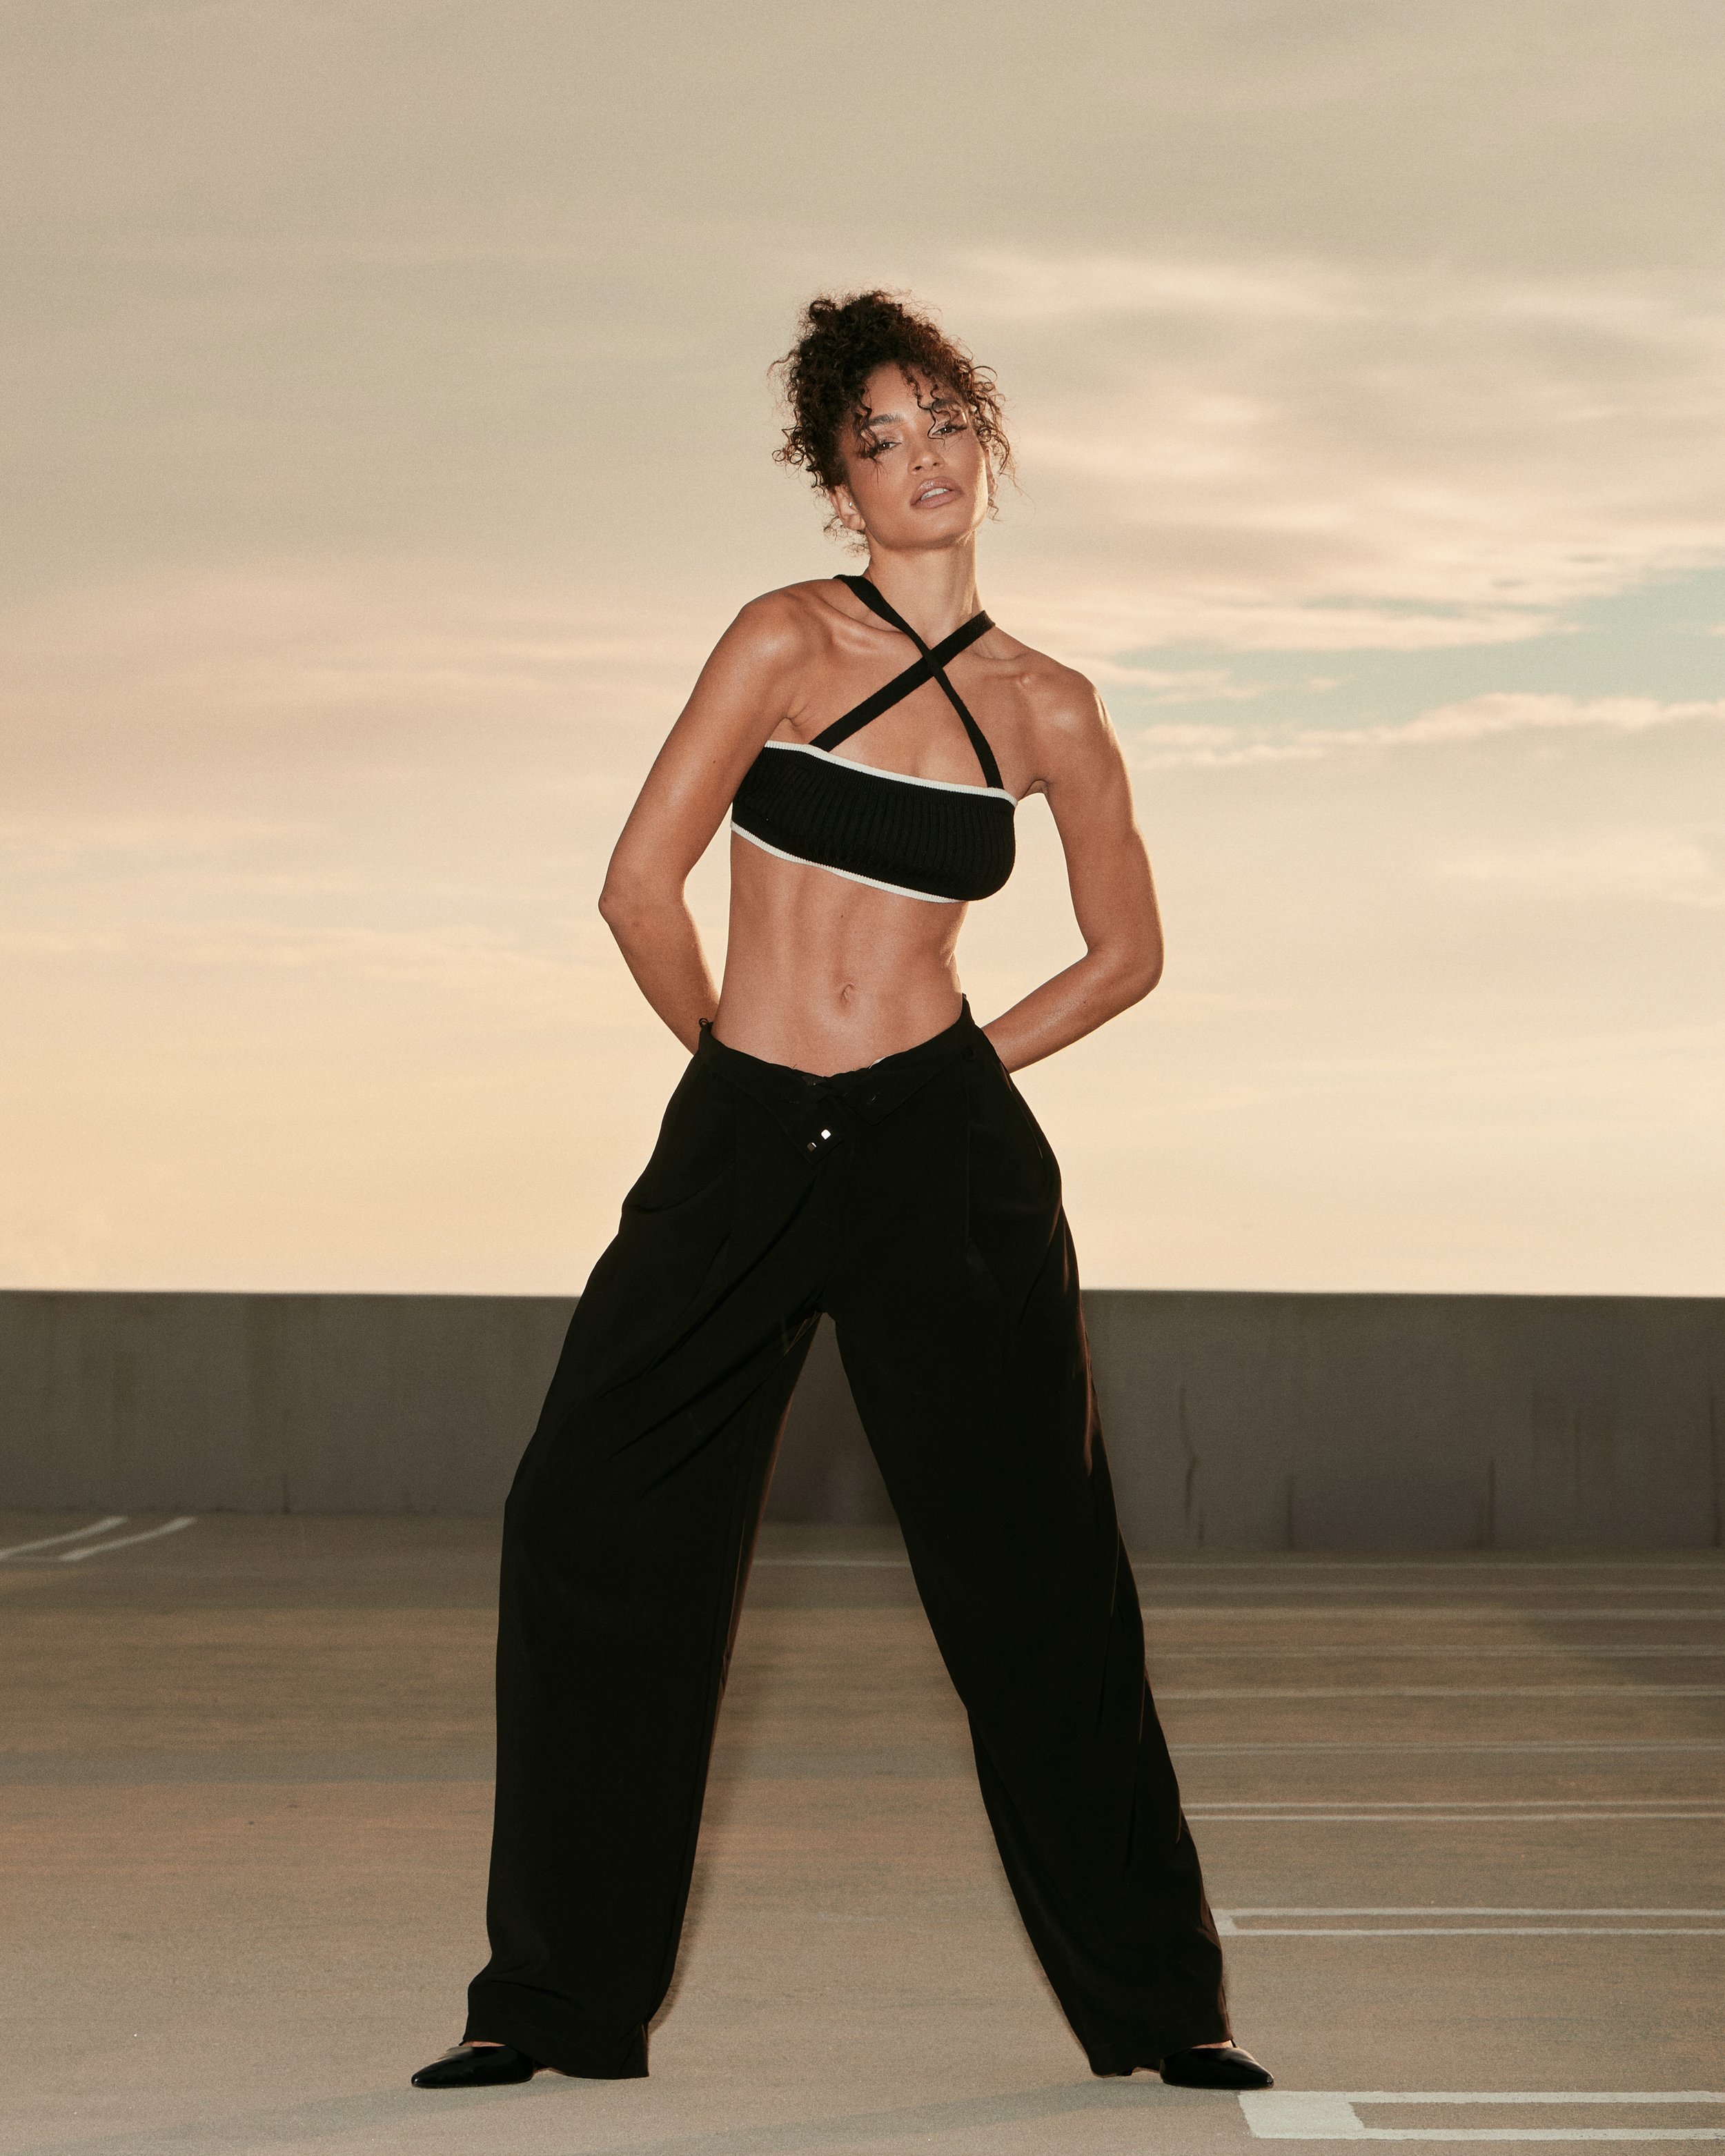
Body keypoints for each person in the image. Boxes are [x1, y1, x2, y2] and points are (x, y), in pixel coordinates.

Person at [412, 291, 1272, 2095]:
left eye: (945, 423)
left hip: (938, 1157)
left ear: (987, 442)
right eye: (878, 440)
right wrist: (731, 1074)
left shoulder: (1054, 709)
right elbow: (638, 890)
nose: (922, 463)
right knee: (584, 1521)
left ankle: (1152, 2009)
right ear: (834, 481)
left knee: (1037, 1576)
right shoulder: (782, 641)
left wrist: (954, 1084)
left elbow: (1123, 953)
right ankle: (556, 2005)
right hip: (744, 1130)